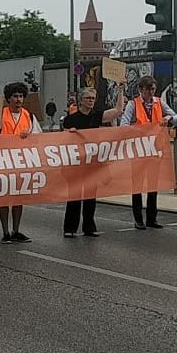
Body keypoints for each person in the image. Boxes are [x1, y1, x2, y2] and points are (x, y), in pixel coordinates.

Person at [63, 84, 126, 238]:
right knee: (74, 196)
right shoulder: (70, 119)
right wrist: (69, 134)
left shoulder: (97, 116)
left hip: (93, 162)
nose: (91, 101)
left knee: (91, 196)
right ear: (80, 100)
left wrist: (120, 91)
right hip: (76, 163)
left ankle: (89, 227)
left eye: (93, 98)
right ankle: (70, 228)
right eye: (88, 98)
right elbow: (63, 141)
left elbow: (118, 111)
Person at [119, 76, 177, 229]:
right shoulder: (133, 105)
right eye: (148, 89)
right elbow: (124, 125)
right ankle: (138, 219)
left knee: (153, 186)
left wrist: (168, 118)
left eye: (153, 89)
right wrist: (137, 130)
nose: (151, 92)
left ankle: (152, 219)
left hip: (154, 151)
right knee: (137, 187)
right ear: (141, 89)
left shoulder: (159, 102)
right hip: (139, 151)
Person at [0, 82, 41, 243]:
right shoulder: (0, 114)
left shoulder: (29, 116)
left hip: (22, 161)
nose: (18, 99)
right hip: (3, 160)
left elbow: (37, 136)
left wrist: (29, 137)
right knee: (4, 197)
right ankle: (5, 232)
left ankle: (16, 230)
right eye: (15, 96)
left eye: (21, 96)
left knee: (18, 197)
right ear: (8, 98)